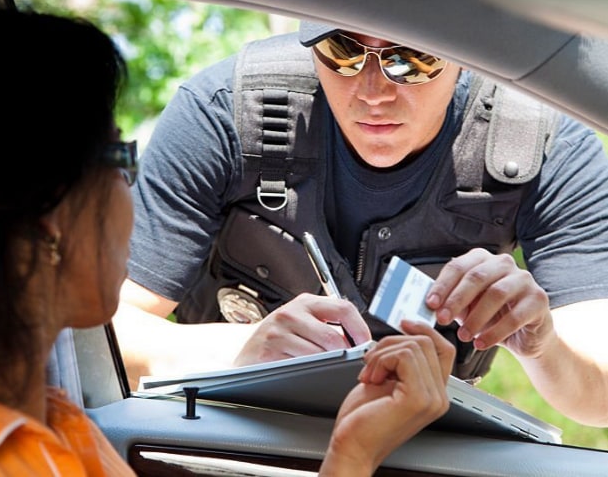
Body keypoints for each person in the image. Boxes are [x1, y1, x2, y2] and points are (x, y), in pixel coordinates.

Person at [0, 6, 455, 476]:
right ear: (47, 215)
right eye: (118, 156)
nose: (131, 188)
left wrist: (350, 452)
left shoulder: (56, 423)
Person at [117, 21, 608, 427]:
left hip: (423, 451)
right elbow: (97, 335)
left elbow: (599, 395)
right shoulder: (224, 112)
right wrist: (239, 351)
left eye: (411, 58)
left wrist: (543, 346)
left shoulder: (546, 143)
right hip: (234, 433)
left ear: (467, 52)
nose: (373, 92)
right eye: (341, 51)